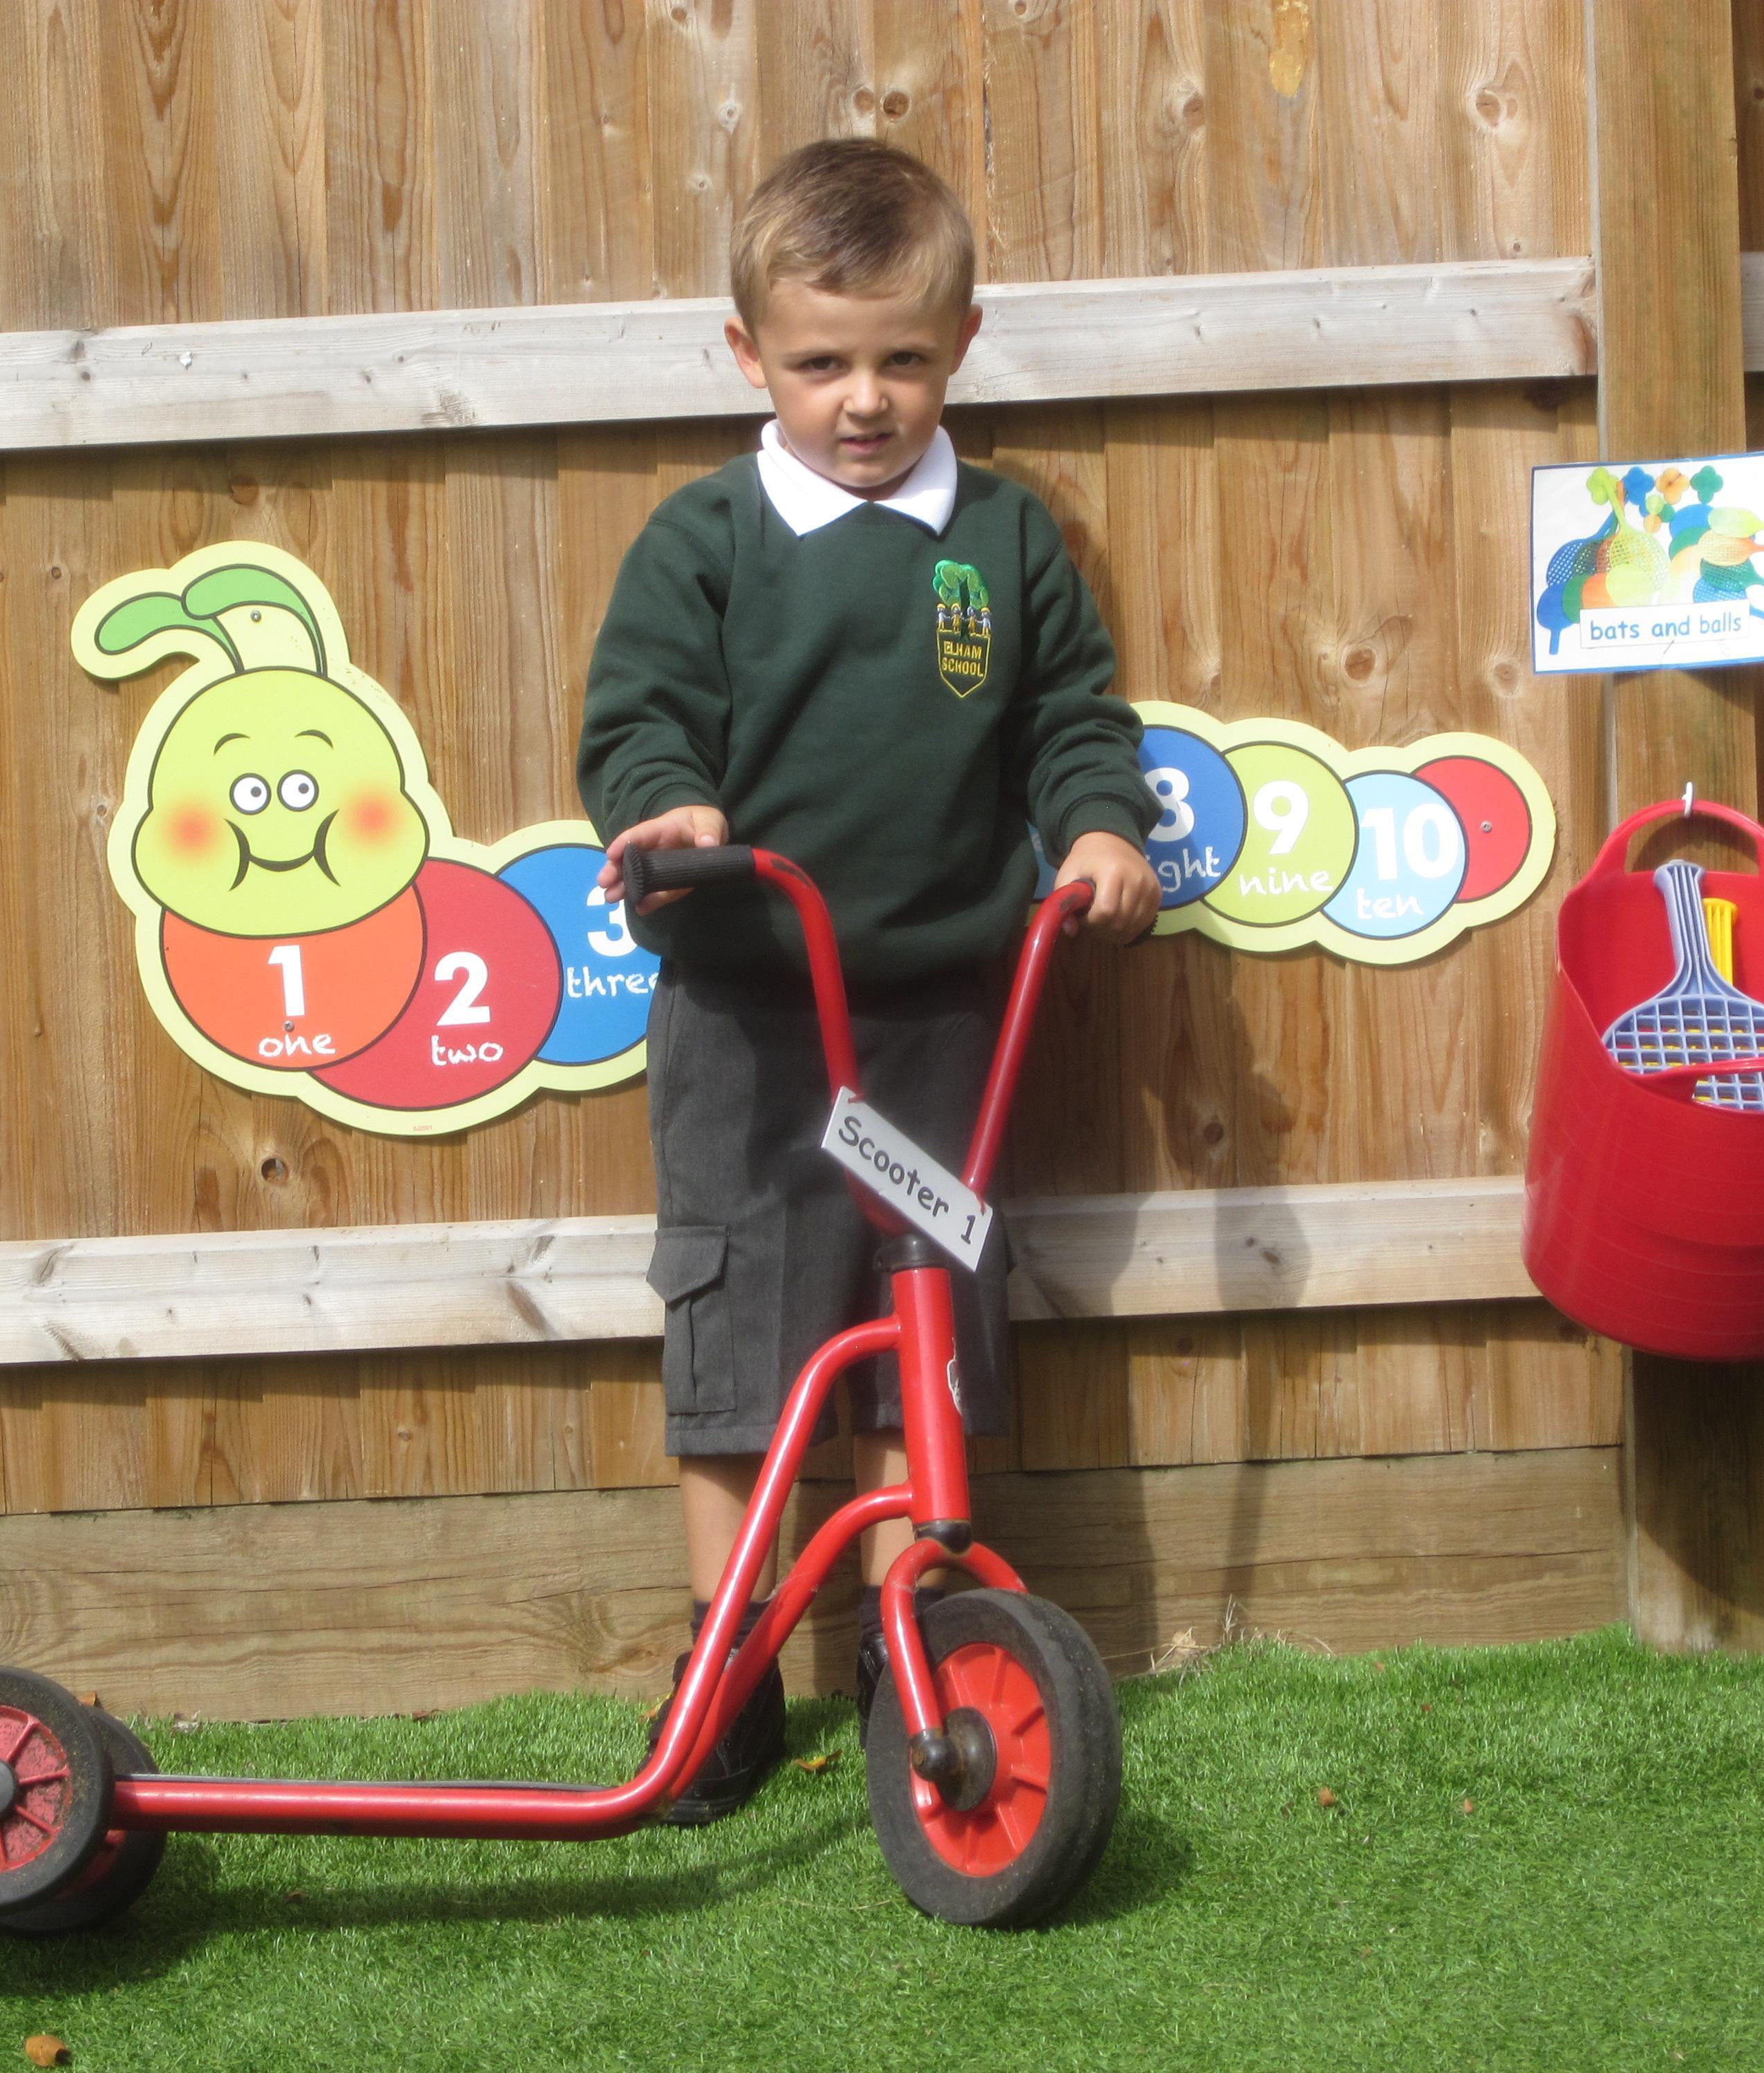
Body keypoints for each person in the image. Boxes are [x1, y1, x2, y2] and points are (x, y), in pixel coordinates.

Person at [577, 138, 1161, 1823]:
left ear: (960, 342)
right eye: (821, 362)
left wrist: (1098, 826)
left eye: (902, 359)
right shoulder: (704, 541)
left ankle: (926, 1660)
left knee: (926, 1334)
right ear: (747, 354)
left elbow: (1068, 719)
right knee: (741, 1339)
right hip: (749, 1018)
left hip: (940, 1024)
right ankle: (727, 1672)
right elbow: (638, 719)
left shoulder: (1000, 539)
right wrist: (665, 809)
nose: (863, 400)